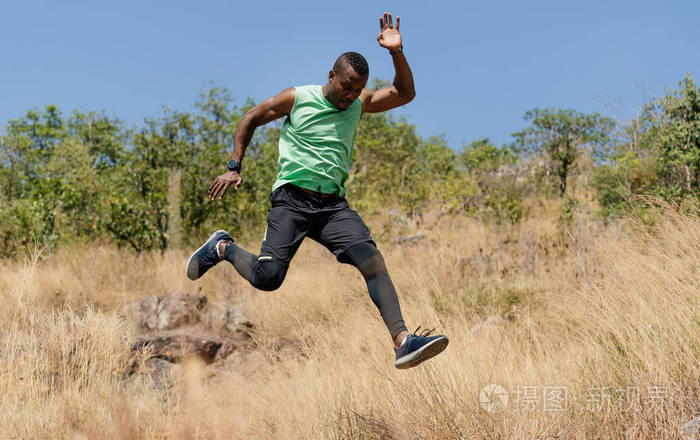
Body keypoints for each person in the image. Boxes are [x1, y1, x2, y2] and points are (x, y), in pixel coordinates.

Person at [187, 12, 448, 369]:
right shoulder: (298, 98)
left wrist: (396, 53)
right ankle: (222, 247)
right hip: (292, 201)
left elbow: (405, 93)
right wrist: (234, 166)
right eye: (347, 87)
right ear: (332, 76)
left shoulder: (358, 105)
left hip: (332, 207)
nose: (351, 96)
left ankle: (403, 341)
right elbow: (251, 117)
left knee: (372, 261)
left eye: (357, 90)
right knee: (268, 278)